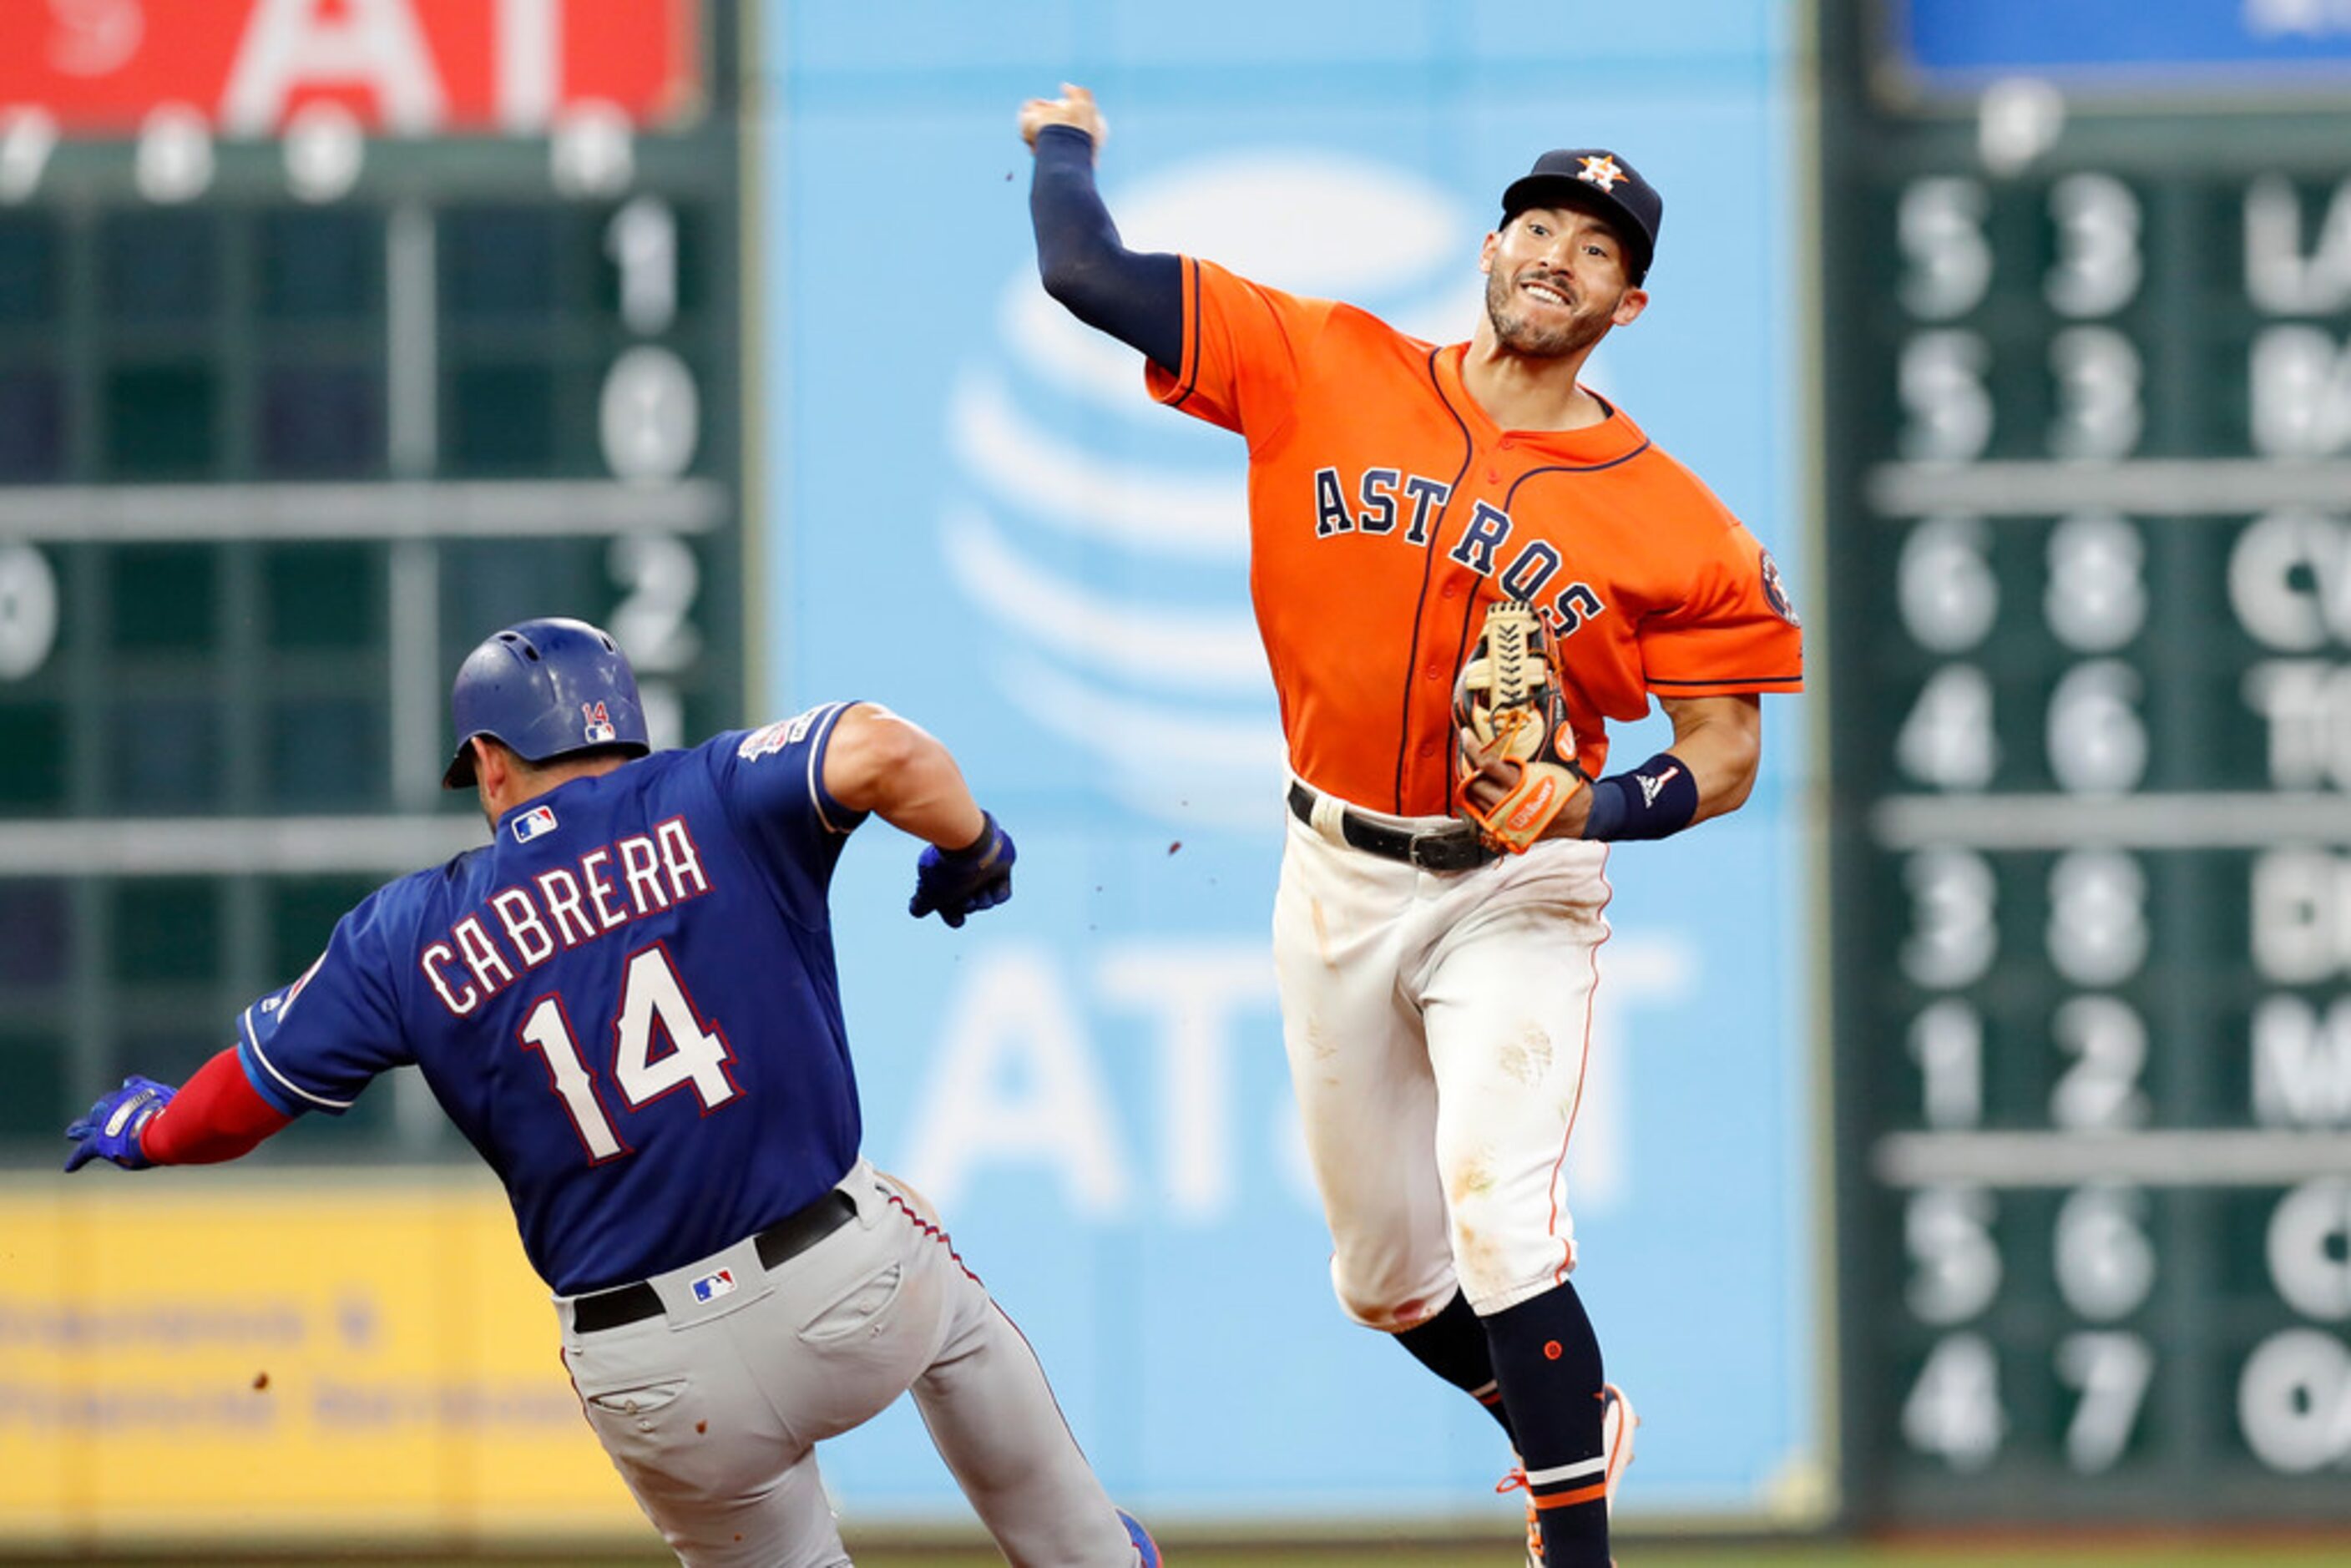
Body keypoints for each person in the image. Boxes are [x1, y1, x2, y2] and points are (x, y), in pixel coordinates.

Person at [1017, 85, 1803, 1567]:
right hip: (1335, 865)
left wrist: (1602, 801)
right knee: (1383, 1279)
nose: (1557, 254)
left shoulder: (1677, 525)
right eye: (1538, 224)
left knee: (1503, 1218)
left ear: (1632, 303)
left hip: (1519, 881)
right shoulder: (1321, 359)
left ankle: (1575, 1534)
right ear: (1494, 246)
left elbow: (1728, 754)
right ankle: (1570, 1418)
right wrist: (1064, 145)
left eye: (1596, 246)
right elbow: (1083, 273)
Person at [63, 615, 1162, 1568]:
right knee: (944, 1295)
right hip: (844, 1287)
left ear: (492, 761)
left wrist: (151, 1131)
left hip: (655, 1378)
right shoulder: (716, 793)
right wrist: (967, 846)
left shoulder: (405, 935)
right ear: (623, 729)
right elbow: (879, 748)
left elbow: (242, 1099)